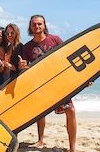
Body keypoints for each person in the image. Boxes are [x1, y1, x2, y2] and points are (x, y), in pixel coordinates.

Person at [18, 14, 77, 151]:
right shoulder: (27, 47)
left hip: (59, 83)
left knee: (71, 111)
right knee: (40, 113)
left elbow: (67, 57)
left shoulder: (55, 40)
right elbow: (27, 69)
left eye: (39, 24)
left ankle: (72, 148)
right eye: (34, 24)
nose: (37, 26)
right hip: (40, 85)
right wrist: (22, 66)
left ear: (44, 25)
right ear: (30, 27)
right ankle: (40, 140)